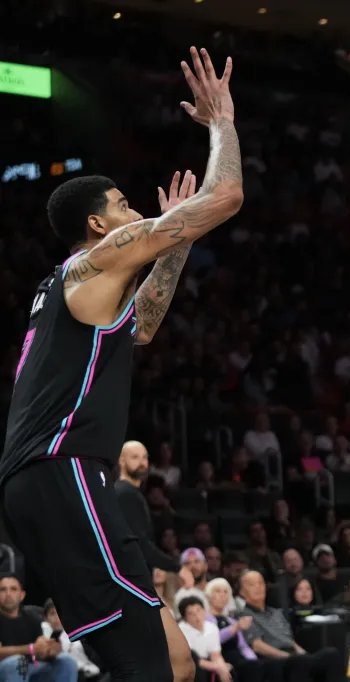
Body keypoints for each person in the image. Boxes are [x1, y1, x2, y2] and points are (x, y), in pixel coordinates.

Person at [0, 46, 241, 682]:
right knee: (146, 667)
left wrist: (176, 243)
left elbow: (147, 325)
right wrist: (221, 122)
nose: (137, 214)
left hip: (55, 480)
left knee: (176, 663)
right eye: (125, 205)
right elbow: (227, 195)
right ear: (97, 223)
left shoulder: (79, 290)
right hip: (62, 472)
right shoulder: (94, 262)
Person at [115, 442, 196, 590]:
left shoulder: (133, 493)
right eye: (135, 457)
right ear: (122, 461)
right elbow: (139, 544)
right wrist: (178, 568)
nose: (142, 463)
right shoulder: (125, 493)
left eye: (144, 457)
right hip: (128, 579)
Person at [237, 571, 343, 682]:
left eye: (260, 583)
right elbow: (257, 646)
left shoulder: (276, 612)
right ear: (241, 592)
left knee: (331, 654)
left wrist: (305, 654)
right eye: (251, 584)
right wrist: (287, 656)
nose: (258, 587)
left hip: (293, 655)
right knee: (299, 661)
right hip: (272, 659)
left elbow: (289, 640)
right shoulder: (244, 615)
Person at [0, 575, 77, 682]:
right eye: (3, 589)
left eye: (13, 589)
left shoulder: (32, 617)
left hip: (33, 667)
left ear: (22, 595)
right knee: (17, 662)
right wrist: (30, 649)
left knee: (66, 660)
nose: (8, 594)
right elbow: (33, 649)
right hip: (7, 669)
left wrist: (50, 650)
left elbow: (39, 651)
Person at [177, 596, 233, 682]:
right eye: (191, 614)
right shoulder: (181, 631)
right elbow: (192, 658)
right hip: (189, 664)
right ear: (185, 617)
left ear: (204, 611)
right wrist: (216, 667)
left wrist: (222, 668)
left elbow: (215, 655)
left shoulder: (211, 627)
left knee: (229, 671)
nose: (197, 616)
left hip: (208, 661)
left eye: (198, 610)